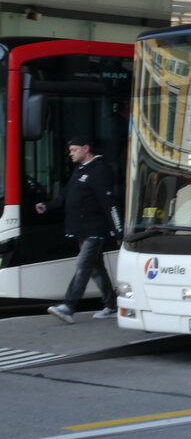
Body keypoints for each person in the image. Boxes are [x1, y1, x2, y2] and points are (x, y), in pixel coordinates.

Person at [38, 136, 122, 324]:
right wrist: (47, 206)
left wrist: (118, 231)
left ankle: (69, 306)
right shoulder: (80, 171)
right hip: (81, 230)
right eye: (70, 151)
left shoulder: (99, 170)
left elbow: (108, 202)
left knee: (83, 265)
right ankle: (111, 305)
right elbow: (65, 197)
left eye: (74, 150)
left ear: (86, 148)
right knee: (95, 268)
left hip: (95, 229)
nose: (71, 154)